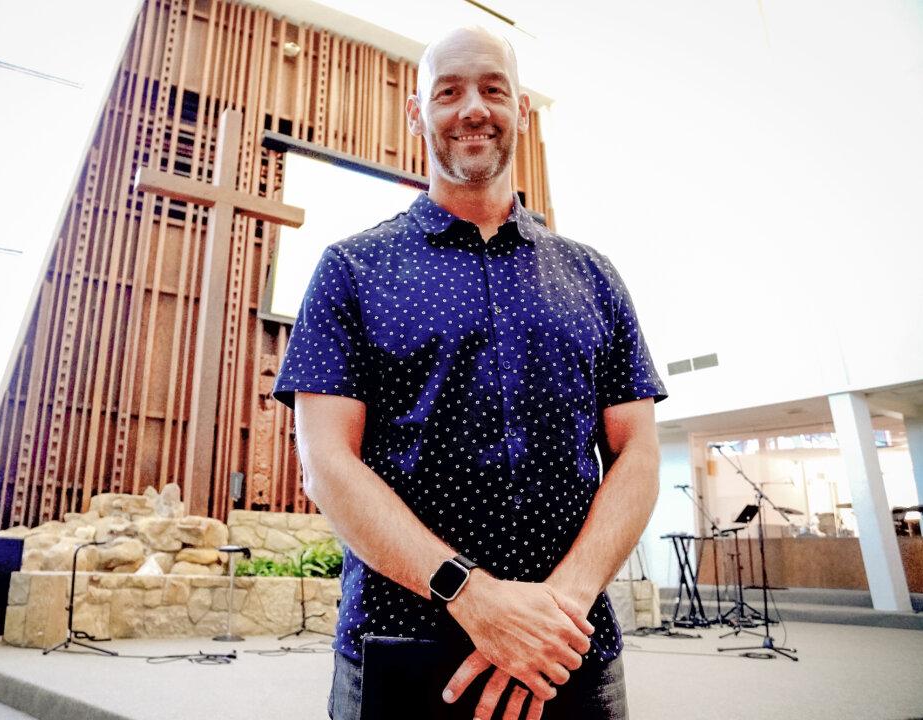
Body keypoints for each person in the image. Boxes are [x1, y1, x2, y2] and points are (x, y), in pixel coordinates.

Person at [273, 25, 666, 720]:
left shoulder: (595, 277)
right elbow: (327, 463)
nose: (473, 108)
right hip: (403, 649)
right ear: (418, 113)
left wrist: (557, 609)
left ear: (519, 108)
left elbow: (636, 452)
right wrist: (475, 597)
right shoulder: (351, 270)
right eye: (448, 91)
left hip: (570, 652)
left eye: (493, 88)